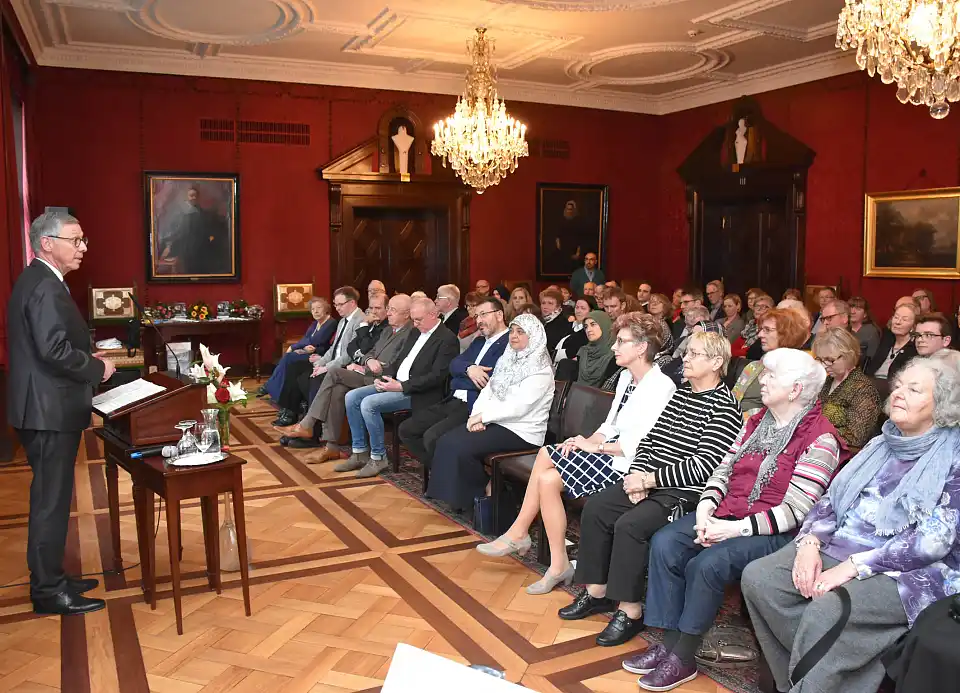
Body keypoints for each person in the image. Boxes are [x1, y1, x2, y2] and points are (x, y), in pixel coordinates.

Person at [742, 357, 960, 693]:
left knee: (827, 612)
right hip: (841, 546)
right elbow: (830, 500)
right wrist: (810, 543)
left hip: (907, 571)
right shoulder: (879, 443)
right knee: (760, 579)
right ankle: (815, 678)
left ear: (943, 403)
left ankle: (814, 681)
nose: (898, 393)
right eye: (898, 385)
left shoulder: (953, 456)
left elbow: (933, 542)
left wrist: (853, 567)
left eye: (914, 389)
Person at [631, 349, 841, 691]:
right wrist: (705, 510)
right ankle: (669, 643)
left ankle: (683, 656)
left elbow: (796, 510)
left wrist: (732, 529)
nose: (763, 379)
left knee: (708, 564)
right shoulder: (757, 421)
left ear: (796, 389)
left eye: (773, 375)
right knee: (666, 542)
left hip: (773, 530)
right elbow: (723, 470)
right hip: (727, 514)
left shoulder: (821, 437)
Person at [557, 332, 742, 647]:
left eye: (695, 354)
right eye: (688, 352)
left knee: (631, 525)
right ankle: (597, 591)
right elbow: (650, 439)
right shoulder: (683, 393)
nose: (685, 358)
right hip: (650, 477)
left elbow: (705, 466)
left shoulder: (725, 406)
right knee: (598, 508)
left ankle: (630, 611)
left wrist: (651, 480)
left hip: (685, 491)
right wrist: (638, 472)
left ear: (716, 362)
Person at [477, 314, 676, 594]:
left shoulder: (660, 387)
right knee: (548, 476)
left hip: (629, 465)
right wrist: (586, 439)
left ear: (642, 347)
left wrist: (594, 447)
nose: (614, 347)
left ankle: (520, 533)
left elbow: (640, 445)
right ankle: (556, 563)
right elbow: (611, 425)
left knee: (547, 455)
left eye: (621, 342)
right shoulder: (625, 378)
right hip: (609, 453)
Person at [9, 211, 115, 615]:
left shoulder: (40, 280)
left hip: (44, 406)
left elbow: (47, 345)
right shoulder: (44, 286)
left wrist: (86, 357)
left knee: (52, 498)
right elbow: (52, 351)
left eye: (83, 238)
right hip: (47, 409)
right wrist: (95, 367)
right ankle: (49, 591)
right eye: (76, 239)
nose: (83, 246)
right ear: (47, 243)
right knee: (51, 502)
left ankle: (53, 576)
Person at [427, 314, 555, 511]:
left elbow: (519, 407)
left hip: (522, 431)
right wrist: (475, 416)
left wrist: (484, 417)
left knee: (459, 446)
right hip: (497, 422)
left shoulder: (541, 370)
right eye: (512, 331)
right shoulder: (508, 359)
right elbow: (488, 391)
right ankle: (475, 495)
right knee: (446, 440)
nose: (514, 336)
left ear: (535, 336)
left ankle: (486, 494)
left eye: (521, 332)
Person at [289, 294, 415, 464]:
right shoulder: (388, 330)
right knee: (337, 390)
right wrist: (368, 361)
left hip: (382, 380)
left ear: (407, 314)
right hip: (367, 373)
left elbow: (395, 365)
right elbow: (366, 352)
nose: (388, 312)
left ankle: (308, 424)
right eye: (387, 308)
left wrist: (366, 366)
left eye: (392, 309)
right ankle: (332, 446)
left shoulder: (410, 333)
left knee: (333, 373)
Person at [342, 298, 458, 477]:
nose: (415, 323)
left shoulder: (447, 339)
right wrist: (383, 378)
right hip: (395, 383)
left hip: (418, 392)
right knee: (352, 397)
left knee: (368, 404)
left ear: (433, 315)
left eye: (419, 319)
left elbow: (437, 377)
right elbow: (398, 362)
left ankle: (378, 457)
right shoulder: (415, 332)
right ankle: (359, 452)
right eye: (414, 319)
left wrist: (401, 386)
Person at [399, 296, 509, 472]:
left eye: (483, 315)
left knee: (432, 437)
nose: (478, 321)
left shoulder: (509, 343)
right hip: (453, 399)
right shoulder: (479, 341)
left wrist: (460, 376)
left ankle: (451, 478)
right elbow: (454, 364)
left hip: (474, 405)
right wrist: (469, 369)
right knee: (407, 430)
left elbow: (489, 381)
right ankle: (442, 473)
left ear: (499, 315)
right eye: (477, 316)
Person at [813, 327, 882, 451]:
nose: (824, 365)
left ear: (848, 356)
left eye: (829, 360)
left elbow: (856, 438)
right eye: (820, 359)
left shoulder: (863, 389)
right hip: (818, 447)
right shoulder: (827, 382)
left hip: (842, 454)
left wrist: (818, 435)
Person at [259, 297, 336, 407]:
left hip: (320, 356)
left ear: (326, 309)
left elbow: (316, 340)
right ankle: (271, 389)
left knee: (289, 357)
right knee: (288, 357)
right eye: (313, 309)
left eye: (319, 308)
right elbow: (306, 339)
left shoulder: (330, 323)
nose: (316, 311)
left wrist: (295, 346)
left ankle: (269, 387)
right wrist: (303, 347)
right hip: (309, 352)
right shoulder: (315, 324)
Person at [733, 307, 810, 417]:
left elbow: (782, 415)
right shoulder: (753, 366)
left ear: (786, 334)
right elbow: (732, 401)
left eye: (767, 330)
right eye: (761, 329)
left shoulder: (796, 372)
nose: (759, 335)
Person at [159, 186, 231, 275]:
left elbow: (211, 231)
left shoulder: (204, 214)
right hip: (188, 253)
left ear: (198, 197)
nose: (193, 198)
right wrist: (169, 245)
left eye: (195, 195)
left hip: (202, 252)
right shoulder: (182, 215)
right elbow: (179, 233)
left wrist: (210, 240)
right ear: (187, 197)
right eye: (191, 195)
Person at [865, 302, 918, 381]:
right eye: (896, 317)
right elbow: (871, 368)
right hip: (872, 383)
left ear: (913, 327)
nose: (898, 322)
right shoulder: (887, 338)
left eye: (904, 319)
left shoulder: (914, 348)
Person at [732, 293, 773, 358]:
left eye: (764, 306)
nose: (758, 309)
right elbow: (733, 349)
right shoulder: (750, 325)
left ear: (772, 310)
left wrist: (743, 353)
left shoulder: (771, 328)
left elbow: (751, 352)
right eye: (757, 306)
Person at [554, 297, 594, 363]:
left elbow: (572, 352)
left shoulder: (588, 332)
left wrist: (552, 354)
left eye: (583, 308)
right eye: (577, 307)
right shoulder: (566, 325)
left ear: (591, 311)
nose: (578, 311)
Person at [848, 296, 882, 363]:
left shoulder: (871, 331)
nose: (852, 312)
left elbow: (872, 359)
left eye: (858, 309)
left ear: (865, 314)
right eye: (851, 308)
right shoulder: (843, 329)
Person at [540, 288, 572, 356]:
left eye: (550, 303)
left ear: (558, 306)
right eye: (543, 303)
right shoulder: (540, 321)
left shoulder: (563, 324)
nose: (545, 306)